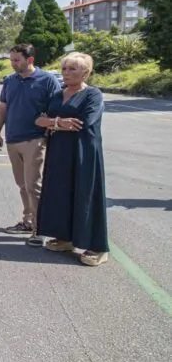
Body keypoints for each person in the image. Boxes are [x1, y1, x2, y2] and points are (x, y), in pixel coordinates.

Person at [34, 52, 109, 266]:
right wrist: (59, 123)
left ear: (86, 73)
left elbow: (83, 122)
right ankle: (64, 238)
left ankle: (97, 247)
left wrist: (52, 122)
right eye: (64, 69)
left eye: (72, 69)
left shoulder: (93, 94)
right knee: (60, 193)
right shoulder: (58, 94)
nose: (66, 73)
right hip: (59, 151)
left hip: (84, 152)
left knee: (86, 195)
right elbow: (38, 119)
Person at [0, 44, 61, 247]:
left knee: (33, 186)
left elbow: (57, 107)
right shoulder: (10, 80)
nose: (13, 64)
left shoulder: (47, 80)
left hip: (35, 140)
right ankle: (28, 221)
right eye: (11, 60)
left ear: (30, 60)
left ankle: (40, 230)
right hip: (13, 139)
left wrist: (50, 127)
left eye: (17, 60)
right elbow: (3, 108)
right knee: (22, 185)